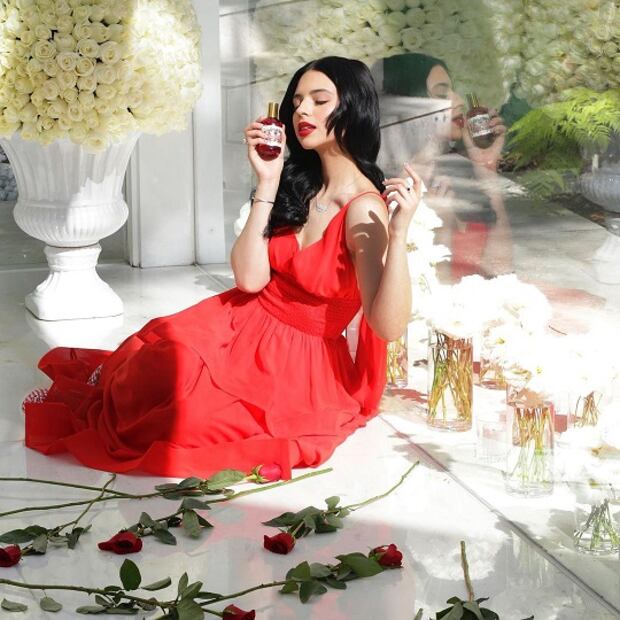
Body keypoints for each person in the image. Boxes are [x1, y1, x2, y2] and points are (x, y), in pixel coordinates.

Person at [23, 56, 422, 479]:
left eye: (319, 101)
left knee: (185, 419)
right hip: (240, 322)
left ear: (354, 108)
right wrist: (267, 181)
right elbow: (250, 279)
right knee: (157, 366)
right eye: (297, 101)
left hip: (298, 366)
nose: (302, 111)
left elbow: (387, 326)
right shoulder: (300, 184)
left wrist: (398, 235)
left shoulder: (364, 210)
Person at [380, 52, 512, 281]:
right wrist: (443, 226)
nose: (459, 101)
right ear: (409, 105)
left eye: (453, 91)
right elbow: (429, 288)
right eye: (441, 94)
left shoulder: (456, 172)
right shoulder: (392, 188)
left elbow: (503, 271)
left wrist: (486, 167)